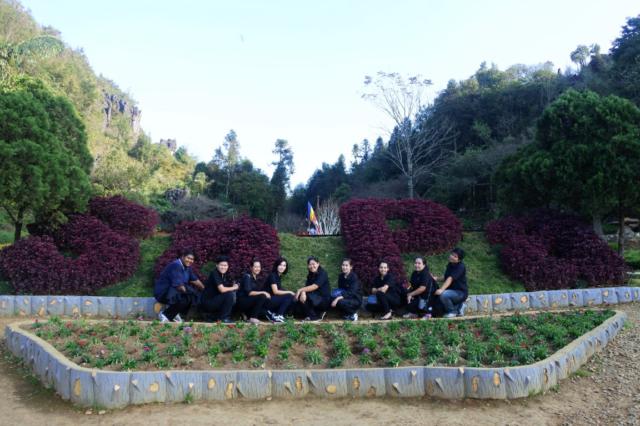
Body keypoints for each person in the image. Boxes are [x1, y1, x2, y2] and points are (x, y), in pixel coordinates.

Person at [153, 249, 204, 323]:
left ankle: (173, 314)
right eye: (188, 258)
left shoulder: (187, 268)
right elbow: (179, 286)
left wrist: (204, 289)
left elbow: (195, 280)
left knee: (192, 296)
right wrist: (190, 293)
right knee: (188, 297)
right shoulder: (176, 265)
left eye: (192, 259)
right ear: (183, 257)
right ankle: (165, 315)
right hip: (163, 292)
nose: (190, 261)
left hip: (172, 292)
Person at [199, 256, 238, 323]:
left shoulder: (223, 275)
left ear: (228, 266)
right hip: (208, 302)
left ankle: (214, 316)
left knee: (231, 295)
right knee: (229, 294)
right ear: (217, 265)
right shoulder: (215, 273)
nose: (223, 267)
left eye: (225, 265)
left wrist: (234, 285)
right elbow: (222, 290)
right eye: (221, 265)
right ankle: (224, 318)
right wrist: (234, 287)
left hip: (215, 300)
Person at [434, 247, 468, 318]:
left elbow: (450, 278)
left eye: (455, 256)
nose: (452, 257)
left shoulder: (460, 266)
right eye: (452, 254)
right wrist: (436, 278)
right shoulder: (450, 264)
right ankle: (460, 306)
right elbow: (446, 277)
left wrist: (441, 289)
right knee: (439, 304)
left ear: (459, 260)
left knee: (443, 294)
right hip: (452, 291)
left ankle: (452, 312)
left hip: (460, 292)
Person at [295, 256, 331, 322]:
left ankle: (314, 317)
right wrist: (303, 292)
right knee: (298, 304)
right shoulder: (310, 275)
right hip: (315, 298)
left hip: (324, 300)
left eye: (313, 264)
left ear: (318, 264)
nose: (312, 266)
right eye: (310, 264)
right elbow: (307, 287)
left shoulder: (323, 273)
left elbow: (315, 286)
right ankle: (314, 314)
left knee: (305, 297)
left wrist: (300, 290)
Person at [236, 259, 269, 324]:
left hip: (249, 301)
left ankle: (246, 315)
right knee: (262, 296)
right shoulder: (247, 277)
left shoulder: (255, 278)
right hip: (242, 301)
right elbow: (249, 292)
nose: (258, 269)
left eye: (259, 267)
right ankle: (253, 318)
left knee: (264, 312)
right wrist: (263, 292)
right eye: (255, 267)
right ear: (251, 268)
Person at [265, 257, 295, 323]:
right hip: (267, 300)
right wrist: (289, 292)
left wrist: (288, 292)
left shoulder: (278, 276)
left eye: (284, 265)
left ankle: (280, 314)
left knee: (290, 297)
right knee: (289, 296)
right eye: (280, 265)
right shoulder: (272, 275)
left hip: (273, 299)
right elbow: (275, 291)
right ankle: (279, 315)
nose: (282, 267)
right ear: (276, 265)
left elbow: (279, 289)